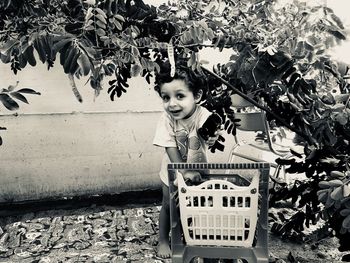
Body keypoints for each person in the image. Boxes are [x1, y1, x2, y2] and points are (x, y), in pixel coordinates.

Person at [153, 61, 221, 258]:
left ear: (197, 96)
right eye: (166, 97)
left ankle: (195, 236)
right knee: (169, 204)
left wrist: (213, 133)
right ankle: (163, 240)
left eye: (180, 96)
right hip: (172, 170)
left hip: (199, 171)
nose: (172, 103)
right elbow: (170, 146)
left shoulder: (202, 114)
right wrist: (184, 171)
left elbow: (209, 128)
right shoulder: (166, 119)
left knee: (198, 204)